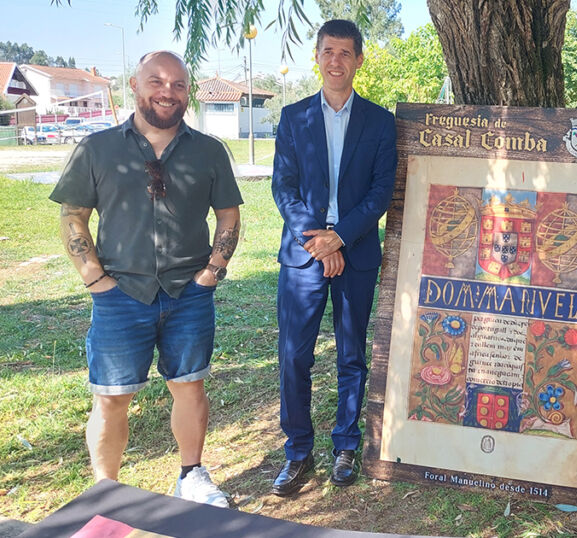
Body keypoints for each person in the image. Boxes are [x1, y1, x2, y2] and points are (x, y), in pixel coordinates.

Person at [49, 51, 242, 507]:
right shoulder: (97, 149)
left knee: (189, 386)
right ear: (135, 85)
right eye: (156, 81)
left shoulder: (209, 151)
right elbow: (73, 215)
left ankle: (191, 475)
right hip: (120, 294)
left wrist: (211, 273)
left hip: (188, 294)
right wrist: (95, 280)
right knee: (111, 396)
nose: (167, 92)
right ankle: (106, 491)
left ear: (188, 93)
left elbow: (228, 214)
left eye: (178, 84)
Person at [270, 19, 397, 497]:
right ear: (317, 57)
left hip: (356, 253)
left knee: (351, 355)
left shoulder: (380, 122)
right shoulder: (293, 117)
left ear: (358, 60)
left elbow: (380, 192)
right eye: (328, 51)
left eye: (345, 52)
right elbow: (283, 188)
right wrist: (318, 243)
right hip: (303, 257)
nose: (336, 60)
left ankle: (346, 445)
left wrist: (339, 238)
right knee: (294, 356)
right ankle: (298, 451)